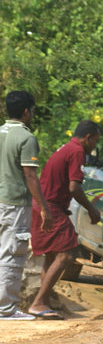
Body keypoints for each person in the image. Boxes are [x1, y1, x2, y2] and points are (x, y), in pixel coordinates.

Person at [28, 121, 102, 319]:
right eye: (96, 140)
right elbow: (74, 187)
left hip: (43, 205)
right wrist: (91, 208)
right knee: (67, 254)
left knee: (52, 256)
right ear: (88, 138)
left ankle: (45, 301)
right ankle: (38, 302)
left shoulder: (67, 147)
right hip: (50, 207)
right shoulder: (77, 151)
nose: (96, 145)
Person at [0, 91, 51, 320]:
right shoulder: (26, 138)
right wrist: (44, 209)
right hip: (15, 205)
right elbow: (30, 176)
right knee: (12, 255)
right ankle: (6, 309)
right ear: (26, 111)